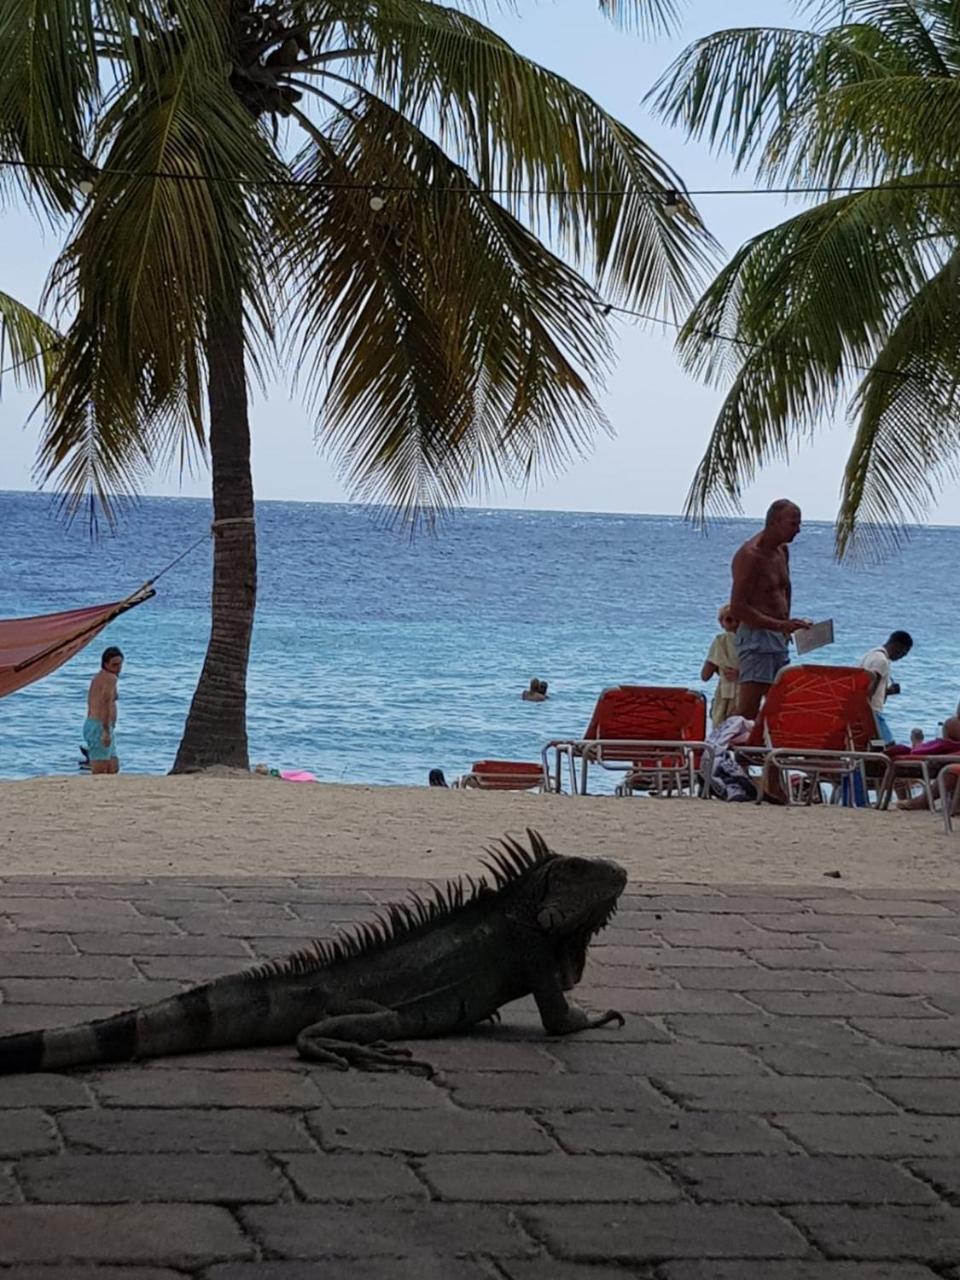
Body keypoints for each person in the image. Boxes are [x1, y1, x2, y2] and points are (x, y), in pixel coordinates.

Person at [730, 499, 811, 719]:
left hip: (778, 637)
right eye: (793, 524)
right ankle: (720, 747)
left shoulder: (782, 551)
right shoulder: (750, 556)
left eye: (799, 524)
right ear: (775, 522)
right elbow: (737, 608)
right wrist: (780, 624)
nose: (798, 530)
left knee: (779, 704)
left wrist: (787, 625)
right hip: (756, 638)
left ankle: (762, 750)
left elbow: (785, 587)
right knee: (748, 709)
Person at [860, 631, 913, 745]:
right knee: (888, 745)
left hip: (866, 710)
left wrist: (888, 691)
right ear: (897, 645)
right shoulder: (881, 661)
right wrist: (866, 714)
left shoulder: (871, 654)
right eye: (903, 652)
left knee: (876, 745)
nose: (902, 657)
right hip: (872, 711)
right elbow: (870, 688)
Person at [83, 646, 123, 775]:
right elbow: (105, 704)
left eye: (120, 664)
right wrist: (105, 731)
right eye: (114, 664)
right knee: (100, 771)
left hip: (104, 726)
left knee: (113, 767)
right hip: (99, 726)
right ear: (106, 664)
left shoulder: (101, 678)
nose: (118, 668)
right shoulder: (110, 679)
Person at [701, 604, 740, 729]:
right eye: (729, 620)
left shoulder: (721, 641)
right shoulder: (721, 641)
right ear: (721, 623)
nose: (734, 624)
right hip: (733, 693)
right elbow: (705, 675)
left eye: (737, 620)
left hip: (735, 693)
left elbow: (705, 675)